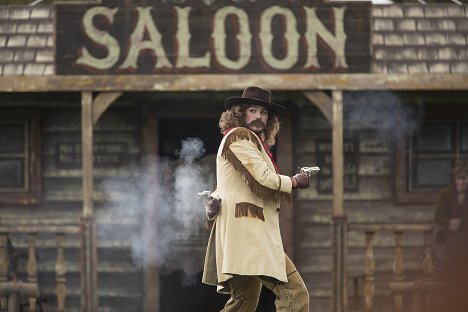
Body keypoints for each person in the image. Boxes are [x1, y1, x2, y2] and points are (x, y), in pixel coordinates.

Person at [202, 86, 311, 312]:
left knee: (243, 302)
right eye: (253, 110)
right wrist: (294, 181)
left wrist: (212, 207)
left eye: (263, 113)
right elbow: (262, 177)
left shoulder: (244, 141)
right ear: (240, 113)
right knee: (295, 293)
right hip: (249, 234)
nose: (259, 117)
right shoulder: (240, 136)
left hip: (242, 236)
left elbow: (225, 189)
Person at [432, 160, 468, 311]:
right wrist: (449, 223)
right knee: (449, 279)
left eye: (465, 178)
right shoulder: (446, 194)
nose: (462, 181)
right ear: (454, 179)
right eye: (459, 178)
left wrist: (461, 222)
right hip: (449, 243)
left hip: (466, 241)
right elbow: (438, 216)